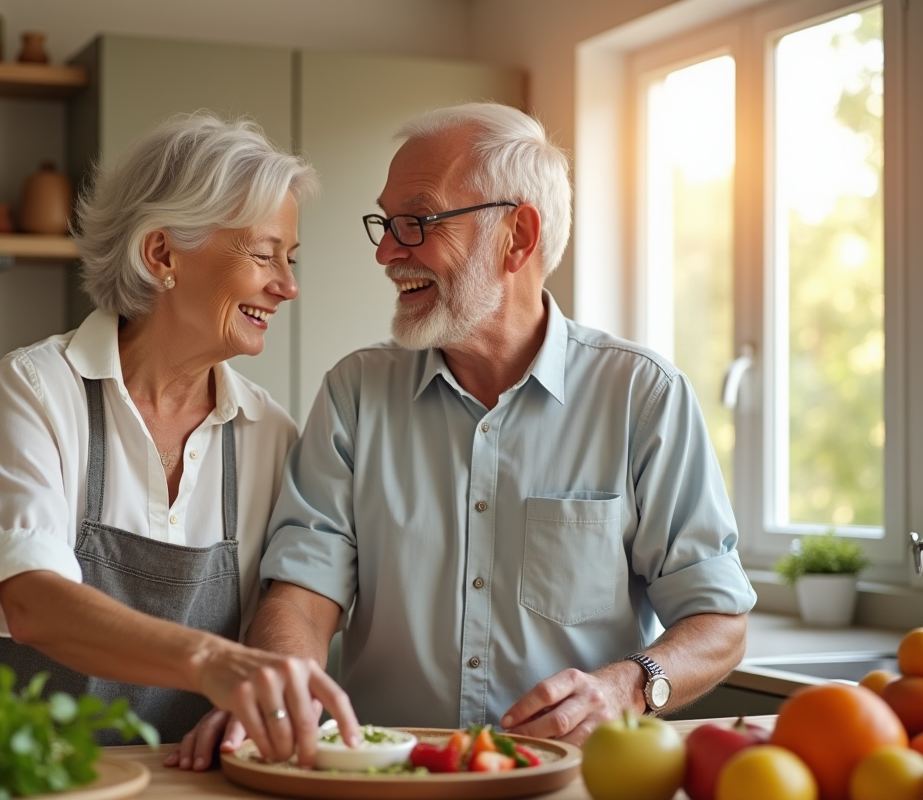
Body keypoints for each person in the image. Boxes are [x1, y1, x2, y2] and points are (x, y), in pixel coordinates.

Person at [174, 102, 757, 764]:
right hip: (392, 778)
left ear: (518, 235)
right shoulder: (356, 393)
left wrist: (629, 686)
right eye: (386, 223)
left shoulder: (643, 397)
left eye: (416, 222)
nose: (387, 251)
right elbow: (303, 600)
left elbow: (718, 620)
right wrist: (278, 694)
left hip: (567, 786)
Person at [0, 112, 360, 768]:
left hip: (170, 784)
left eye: (290, 259)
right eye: (265, 253)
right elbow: (31, 599)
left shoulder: (270, 434)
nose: (288, 286)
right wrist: (213, 662)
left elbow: (288, 615)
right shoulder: (43, 387)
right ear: (162, 255)